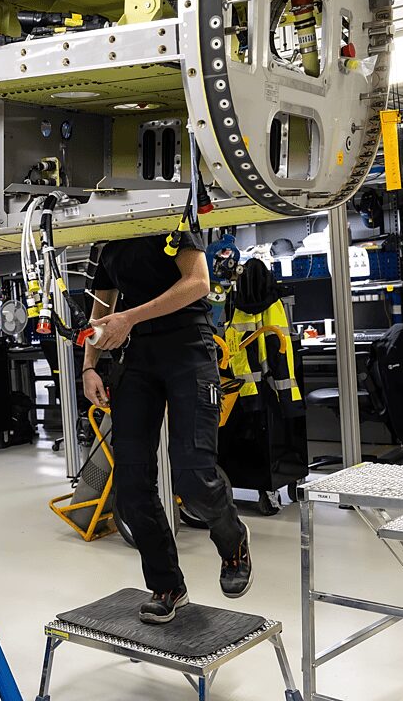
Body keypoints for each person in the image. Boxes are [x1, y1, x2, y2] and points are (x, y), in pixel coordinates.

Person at [83, 231, 253, 624]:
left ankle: (233, 542)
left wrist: (129, 316)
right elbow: (99, 311)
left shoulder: (167, 219)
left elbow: (198, 283)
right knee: (129, 489)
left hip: (187, 347)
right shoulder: (103, 239)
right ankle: (167, 586)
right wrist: (90, 366)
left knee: (193, 478)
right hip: (135, 354)